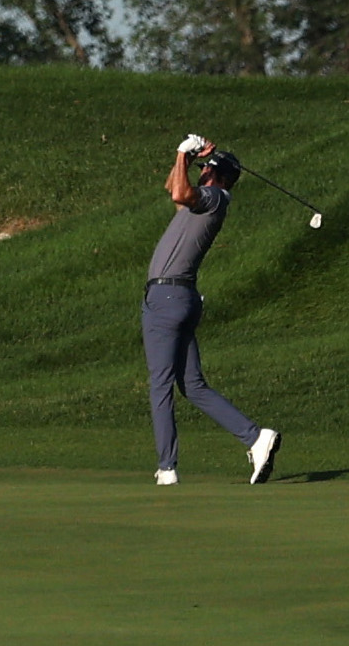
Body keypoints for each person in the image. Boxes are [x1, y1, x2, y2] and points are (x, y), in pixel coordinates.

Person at [142, 133, 282, 487]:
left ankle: (167, 468)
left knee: (161, 385)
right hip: (181, 299)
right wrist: (186, 160)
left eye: (207, 170)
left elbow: (179, 192)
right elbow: (173, 187)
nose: (202, 174)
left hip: (166, 299)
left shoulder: (214, 198)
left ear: (218, 176)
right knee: (191, 383)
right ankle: (255, 437)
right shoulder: (203, 201)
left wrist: (180, 151)